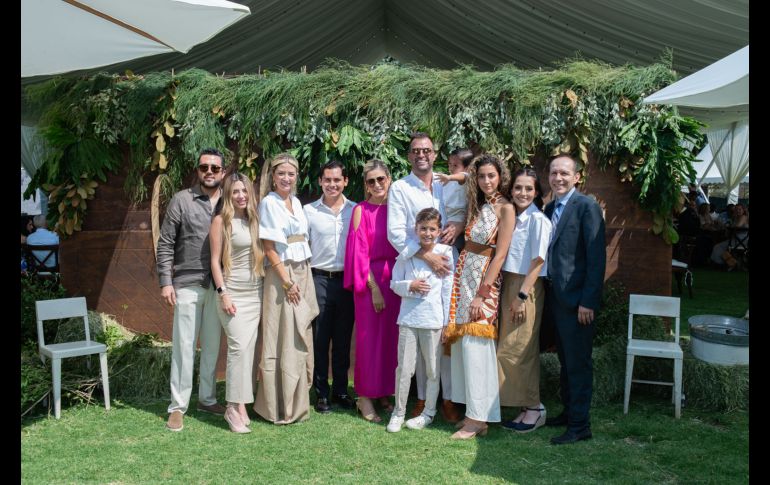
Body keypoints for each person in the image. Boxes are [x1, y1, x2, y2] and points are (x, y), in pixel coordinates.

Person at [387, 132, 462, 422]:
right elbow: (395, 233)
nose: (422, 155)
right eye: (416, 150)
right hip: (416, 263)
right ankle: (420, 401)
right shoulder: (401, 188)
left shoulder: (447, 184)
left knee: (442, 339)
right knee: (417, 349)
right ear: (409, 156)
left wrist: (457, 223)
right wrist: (425, 255)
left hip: (445, 260)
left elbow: (463, 207)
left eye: (427, 150)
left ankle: (447, 400)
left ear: (435, 154)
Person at [444, 153, 515, 439]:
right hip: (465, 278)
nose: (486, 181)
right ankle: (474, 414)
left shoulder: (505, 208)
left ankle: (478, 418)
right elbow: (465, 178)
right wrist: (455, 176)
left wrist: (481, 294)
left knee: (478, 349)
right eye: (482, 176)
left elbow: (500, 256)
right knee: (465, 347)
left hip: (484, 282)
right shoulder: (480, 204)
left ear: (501, 177)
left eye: (491, 176)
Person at [157, 147, 226, 432]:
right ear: (197, 170)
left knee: (211, 346)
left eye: (214, 168)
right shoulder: (181, 200)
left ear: (223, 173)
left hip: (220, 286)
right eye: (204, 167)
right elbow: (165, 243)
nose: (209, 172)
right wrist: (165, 281)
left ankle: (207, 398)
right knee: (184, 347)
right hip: (187, 283)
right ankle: (177, 406)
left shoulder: (229, 202)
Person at [542, 153, 606, 445]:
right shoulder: (550, 207)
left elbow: (596, 258)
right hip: (556, 299)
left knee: (578, 363)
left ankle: (580, 426)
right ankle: (569, 414)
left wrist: (588, 301)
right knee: (566, 362)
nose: (558, 178)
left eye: (564, 173)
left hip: (578, 302)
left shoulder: (586, 206)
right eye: (554, 173)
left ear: (577, 177)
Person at [255, 153, 319, 424]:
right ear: (273, 176)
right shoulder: (269, 203)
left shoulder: (296, 202)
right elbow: (269, 248)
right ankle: (277, 405)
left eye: (291, 174)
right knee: (280, 333)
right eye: (281, 173)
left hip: (303, 270)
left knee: (299, 332)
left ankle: (297, 400)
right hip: (283, 273)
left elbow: (302, 240)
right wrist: (286, 281)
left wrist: (299, 279)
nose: (286, 178)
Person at [386, 208, 454, 433]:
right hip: (408, 319)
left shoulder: (445, 252)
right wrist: (410, 287)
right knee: (405, 369)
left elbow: (447, 290)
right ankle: (399, 412)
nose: (427, 233)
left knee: (434, 369)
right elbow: (394, 283)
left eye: (432, 229)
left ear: (439, 230)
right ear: (415, 229)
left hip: (433, 320)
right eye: (423, 228)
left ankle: (429, 413)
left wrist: (446, 322)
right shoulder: (407, 253)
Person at [497, 167, 552, 433]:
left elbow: (538, 261)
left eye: (529, 188)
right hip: (510, 282)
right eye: (518, 188)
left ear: (537, 192)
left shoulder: (538, 220)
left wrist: (521, 296)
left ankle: (535, 407)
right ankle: (523, 406)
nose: (523, 193)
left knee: (522, 348)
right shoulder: (514, 218)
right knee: (509, 348)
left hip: (525, 287)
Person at [344, 159, 400, 423]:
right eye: (371, 181)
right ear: (365, 185)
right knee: (369, 340)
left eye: (381, 179)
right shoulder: (360, 210)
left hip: (396, 280)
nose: (377, 184)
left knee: (390, 339)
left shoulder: (397, 209)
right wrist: (374, 288)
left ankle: (383, 392)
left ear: (389, 179)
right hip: (370, 282)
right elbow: (359, 253)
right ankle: (365, 397)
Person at [210, 172, 264, 433]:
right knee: (238, 348)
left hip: (255, 293)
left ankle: (242, 403)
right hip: (233, 293)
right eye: (235, 192)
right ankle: (231, 407)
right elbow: (214, 261)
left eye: (244, 191)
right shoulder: (222, 221)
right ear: (228, 196)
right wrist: (223, 293)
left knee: (248, 351)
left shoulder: (255, 220)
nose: (241, 196)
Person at [303, 160, 357, 414]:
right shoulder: (308, 212)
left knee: (343, 339)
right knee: (320, 339)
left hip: (347, 281)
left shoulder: (355, 211)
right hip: (319, 280)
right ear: (320, 182)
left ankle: (341, 391)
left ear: (345, 181)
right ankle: (322, 393)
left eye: (337, 180)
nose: (332, 184)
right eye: (327, 180)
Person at [436, 147, 474, 258]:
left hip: (457, 219)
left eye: (455, 165)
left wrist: (449, 177)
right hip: (447, 218)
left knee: (445, 248)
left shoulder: (464, 179)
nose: (451, 168)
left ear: (467, 168)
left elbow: (463, 176)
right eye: (450, 164)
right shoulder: (448, 182)